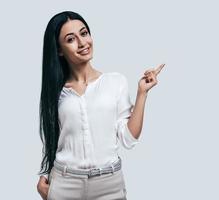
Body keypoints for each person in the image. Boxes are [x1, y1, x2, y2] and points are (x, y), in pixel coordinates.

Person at [36, 11, 165, 200]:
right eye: (71, 39)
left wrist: (142, 93)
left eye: (84, 33)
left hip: (109, 185)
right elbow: (54, 139)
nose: (82, 43)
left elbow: (129, 138)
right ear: (59, 50)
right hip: (65, 184)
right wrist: (46, 177)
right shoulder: (56, 92)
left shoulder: (115, 82)